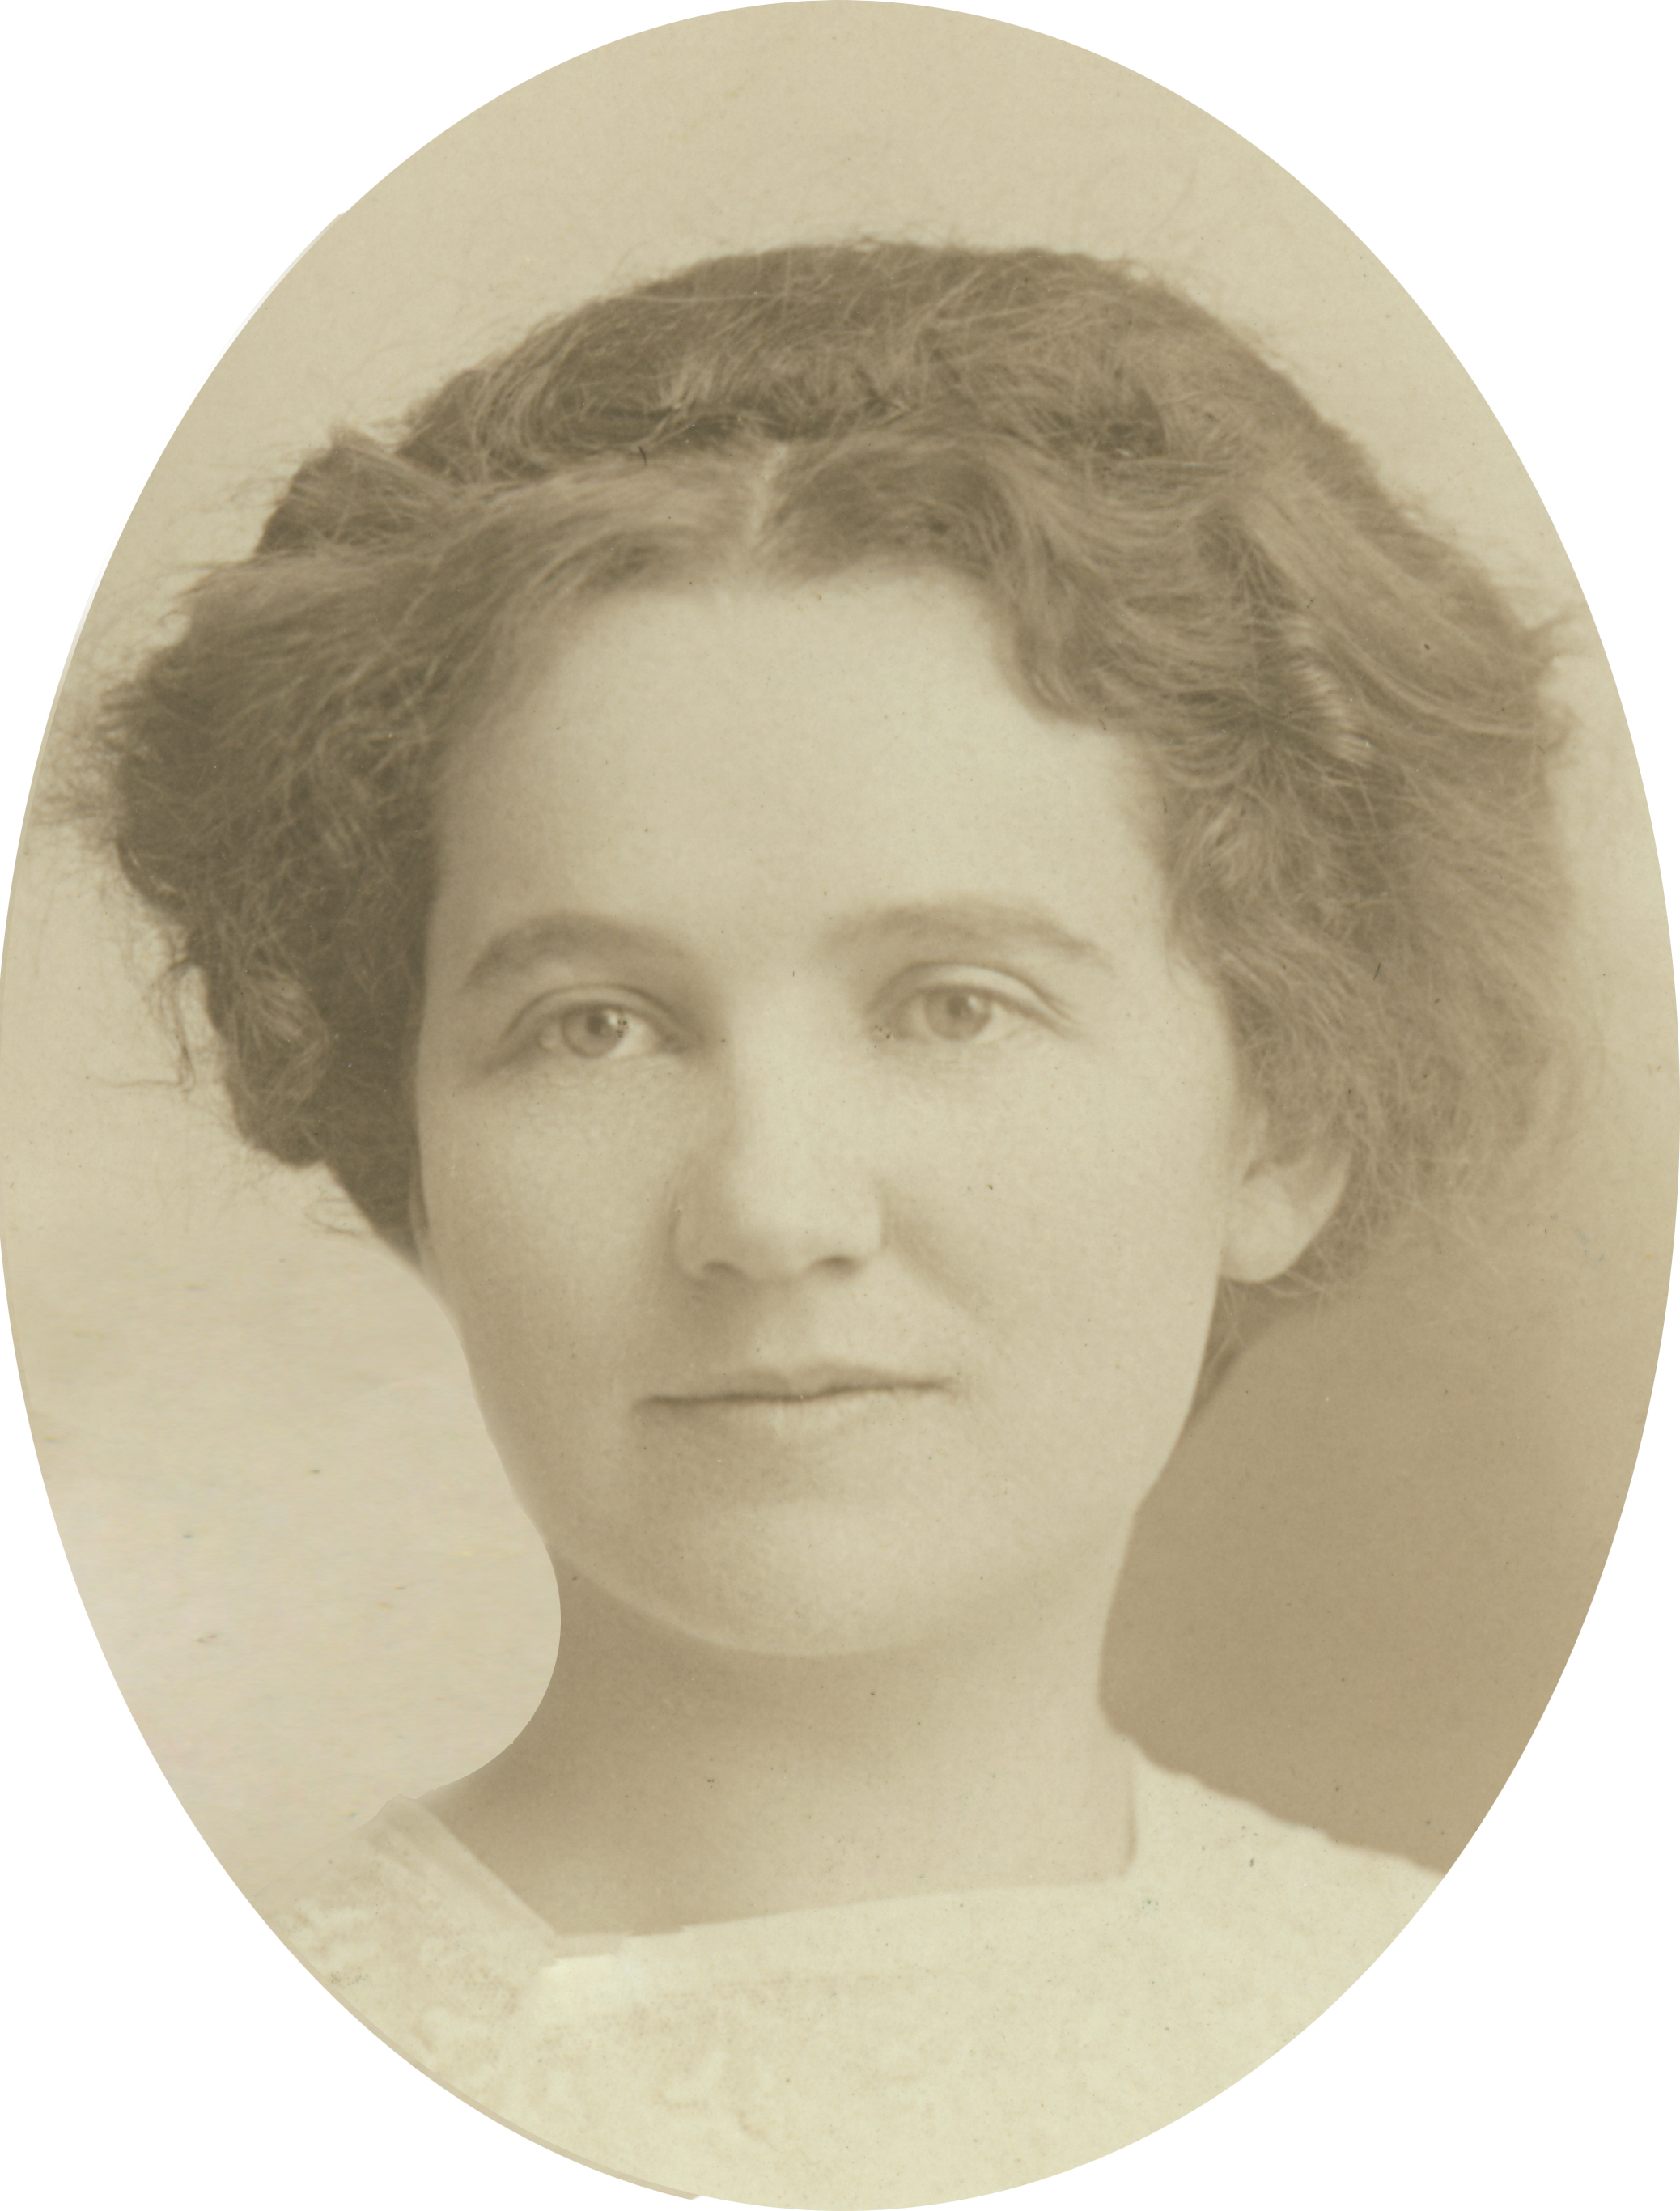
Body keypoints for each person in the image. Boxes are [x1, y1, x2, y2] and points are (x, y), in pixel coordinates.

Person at [92, 242, 1563, 2206]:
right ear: (409, 1143)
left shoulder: (1526, 2055)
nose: (770, 1211)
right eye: (594, 1025)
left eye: (955, 1005)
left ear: (1284, 1121)